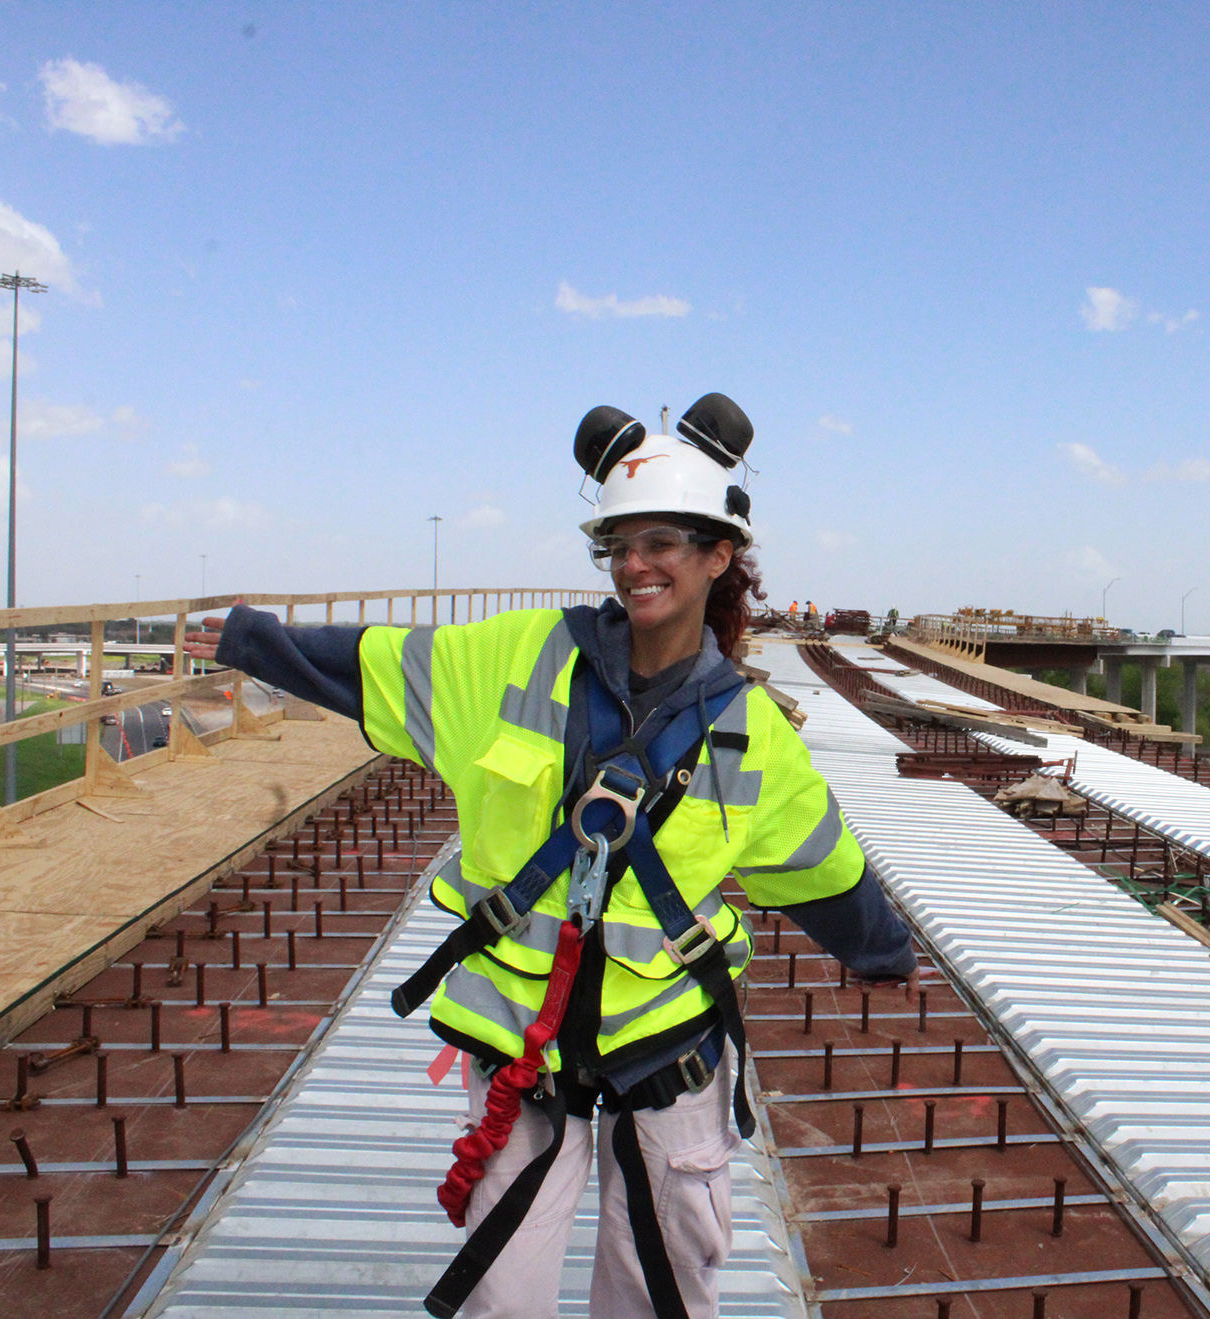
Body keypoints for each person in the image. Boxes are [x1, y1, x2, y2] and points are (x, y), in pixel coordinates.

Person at [187, 394, 917, 1319]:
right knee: (503, 1294)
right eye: (618, 543)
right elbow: (372, 663)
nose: (634, 564)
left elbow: (824, 869)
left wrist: (884, 950)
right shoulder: (515, 658)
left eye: (661, 541)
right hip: (521, 1047)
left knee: (666, 1289)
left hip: (667, 1045)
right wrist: (248, 638)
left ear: (719, 554)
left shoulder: (749, 730)